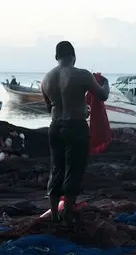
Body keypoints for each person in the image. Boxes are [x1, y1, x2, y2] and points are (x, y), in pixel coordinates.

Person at [41, 41, 110, 224]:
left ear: (56, 57)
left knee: (56, 169)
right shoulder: (83, 75)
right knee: (74, 169)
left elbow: (51, 108)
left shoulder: (46, 79)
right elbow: (102, 95)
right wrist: (105, 83)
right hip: (76, 127)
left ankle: (55, 215)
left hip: (55, 127)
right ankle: (67, 215)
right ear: (74, 56)